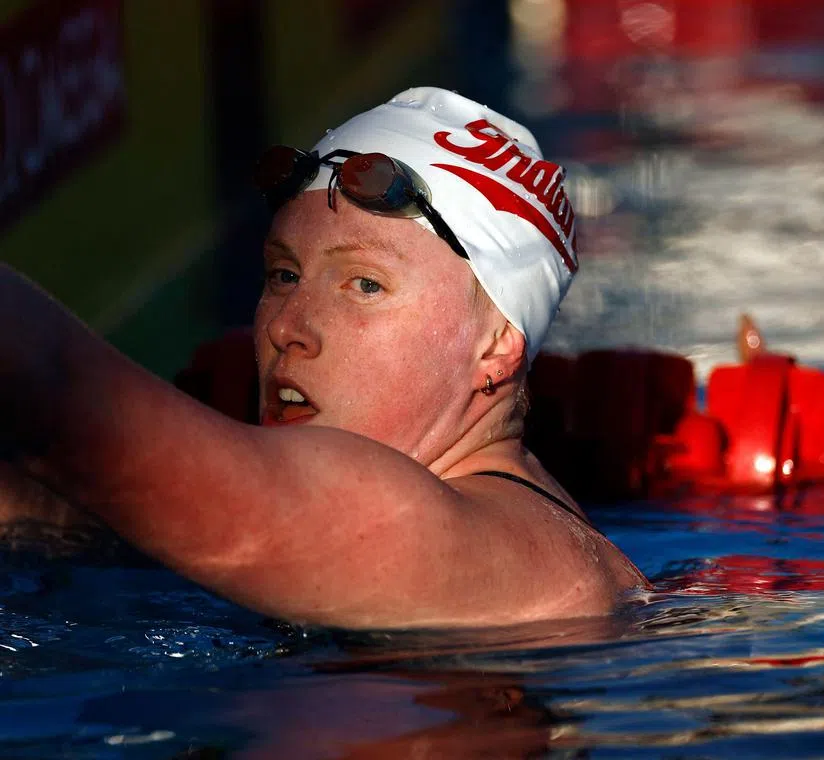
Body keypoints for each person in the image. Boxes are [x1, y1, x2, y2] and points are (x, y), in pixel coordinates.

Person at [0, 87, 646, 629]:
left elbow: (55, 385)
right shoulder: (472, 526)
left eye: (365, 285)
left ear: (498, 345)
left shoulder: (439, 532)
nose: (288, 328)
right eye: (283, 275)